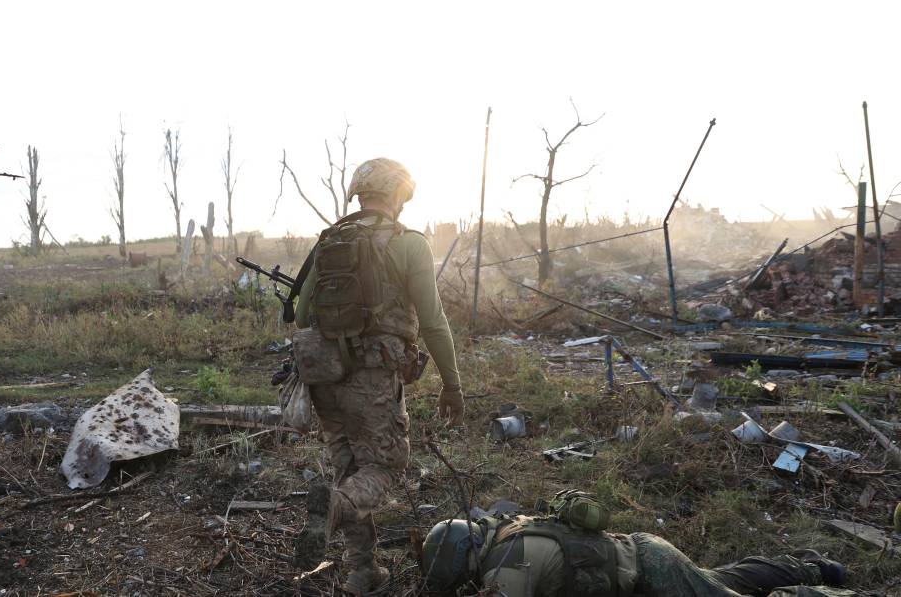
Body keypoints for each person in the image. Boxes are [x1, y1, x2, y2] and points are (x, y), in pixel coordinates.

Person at [289, 158, 464, 594]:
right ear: (399, 195)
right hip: (372, 375)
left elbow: (300, 316)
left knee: (349, 466)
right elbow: (433, 321)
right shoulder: (409, 244)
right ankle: (333, 508)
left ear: (359, 194)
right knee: (386, 464)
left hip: (322, 375)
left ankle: (362, 572)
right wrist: (452, 383)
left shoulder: (331, 240)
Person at [420, 492, 868, 597]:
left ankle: (832, 592)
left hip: (649, 571)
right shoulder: (506, 526)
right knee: (717, 582)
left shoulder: (506, 571)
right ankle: (809, 565)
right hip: (641, 554)